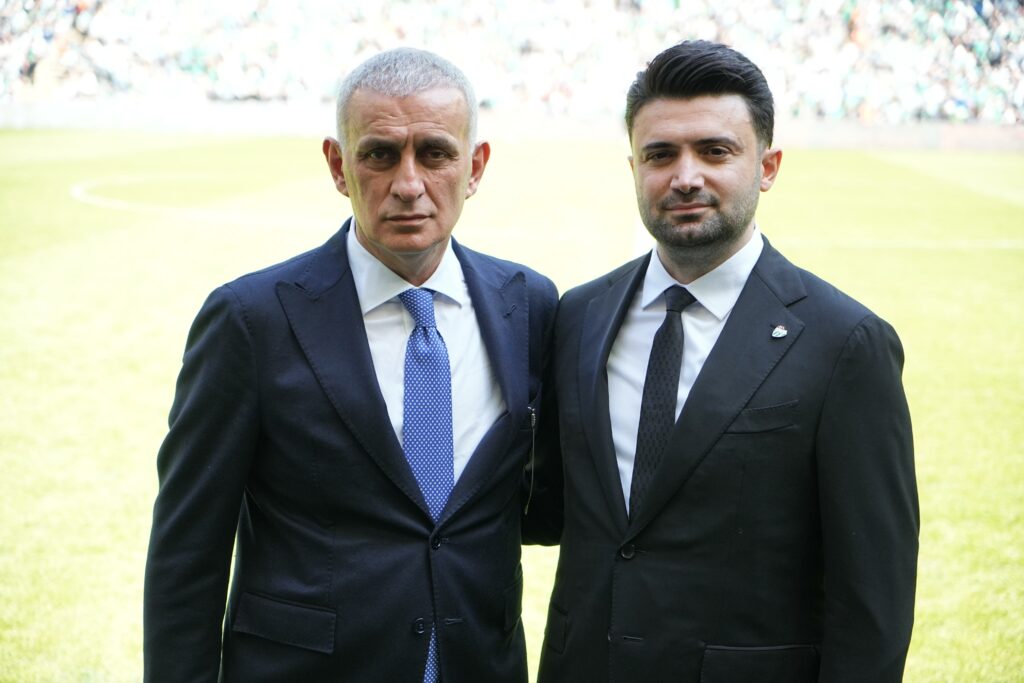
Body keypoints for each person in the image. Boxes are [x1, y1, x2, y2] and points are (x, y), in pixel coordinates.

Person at [143, 47, 557, 683]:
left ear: (475, 167)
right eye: (380, 155)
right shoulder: (251, 320)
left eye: (435, 154)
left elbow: (535, 502)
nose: (409, 184)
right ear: (339, 166)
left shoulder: (529, 304)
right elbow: (188, 550)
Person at [531, 40, 919, 682]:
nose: (685, 177)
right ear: (633, 167)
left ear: (767, 166)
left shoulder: (846, 344)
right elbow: (546, 505)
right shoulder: (578, 315)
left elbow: (873, 602)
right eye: (660, 154)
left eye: (715, 151)